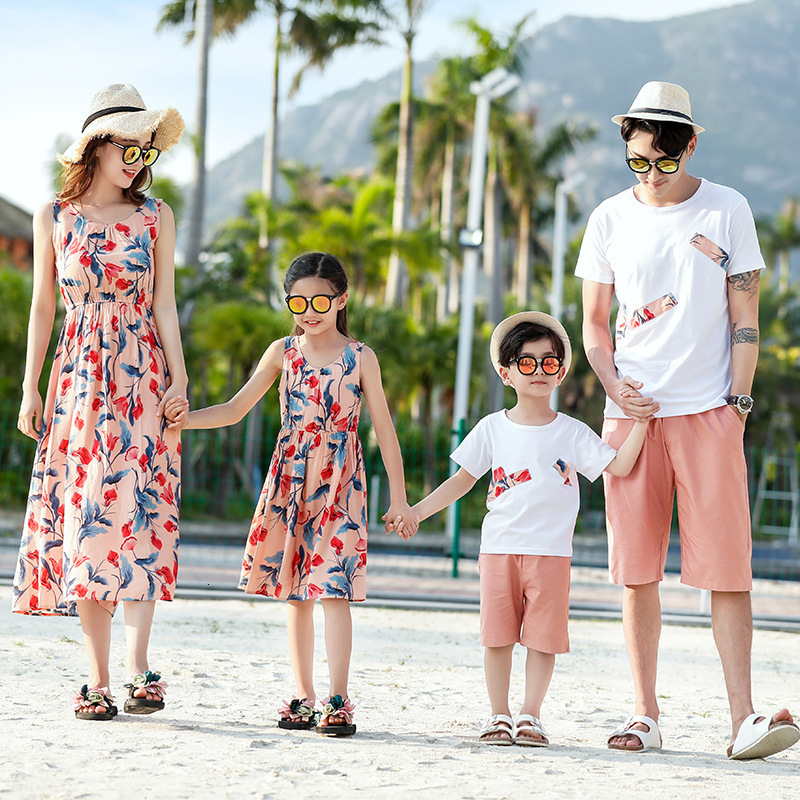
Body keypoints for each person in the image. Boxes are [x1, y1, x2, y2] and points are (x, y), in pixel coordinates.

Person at [576, 80, 800, 759]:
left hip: (710, 413)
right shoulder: (609, 217)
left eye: (665, 162)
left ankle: (744, 720)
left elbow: (746, 319)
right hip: (631, 417)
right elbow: (591, 325)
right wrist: (615, 387)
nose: (652, 175)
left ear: (690, 145)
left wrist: (736, 405)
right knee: (637, 571)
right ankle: (644, 714)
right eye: (639, 162)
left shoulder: (728, 208)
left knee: (728, 571)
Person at [164, 252, 417, 736]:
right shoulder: (283, 352)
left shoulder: (360, 357)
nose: (310, 310)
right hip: (290, 481)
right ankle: (303, 697)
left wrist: (400, 499)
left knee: (334, 590)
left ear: (342, 299)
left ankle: (338, 700)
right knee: (296, 593)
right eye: (297, 301)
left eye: (321, 299)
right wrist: (182, 420)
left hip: (341, 484)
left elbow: (385, 430)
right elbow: (237, 409)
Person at [14, 84, 188, 720]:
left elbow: (165, 304)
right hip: (80, 380)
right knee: (89, 517)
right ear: (95, 147)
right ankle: (97, 679)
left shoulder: (156, 216)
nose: (139, 161)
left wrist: (180, 379)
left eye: (147, 151)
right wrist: (29, 387)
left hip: (143, 375)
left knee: (140, 513)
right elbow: (42, 308)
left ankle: (141, 667)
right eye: (129, 148)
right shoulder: (53, 216)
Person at [400, 312, 649, 747]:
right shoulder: (491, 428)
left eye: (548, 362)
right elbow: (462, 480)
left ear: (561, 371)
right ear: (506, 371)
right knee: (497, 637)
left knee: (543, 639)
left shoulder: (572, 432)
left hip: (552, 553)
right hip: (498, 549)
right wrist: (418, 512)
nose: (538, 371)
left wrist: (643, 421)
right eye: (526, 362)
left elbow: (620, 465)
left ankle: (530, 715)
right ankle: (499, 714)